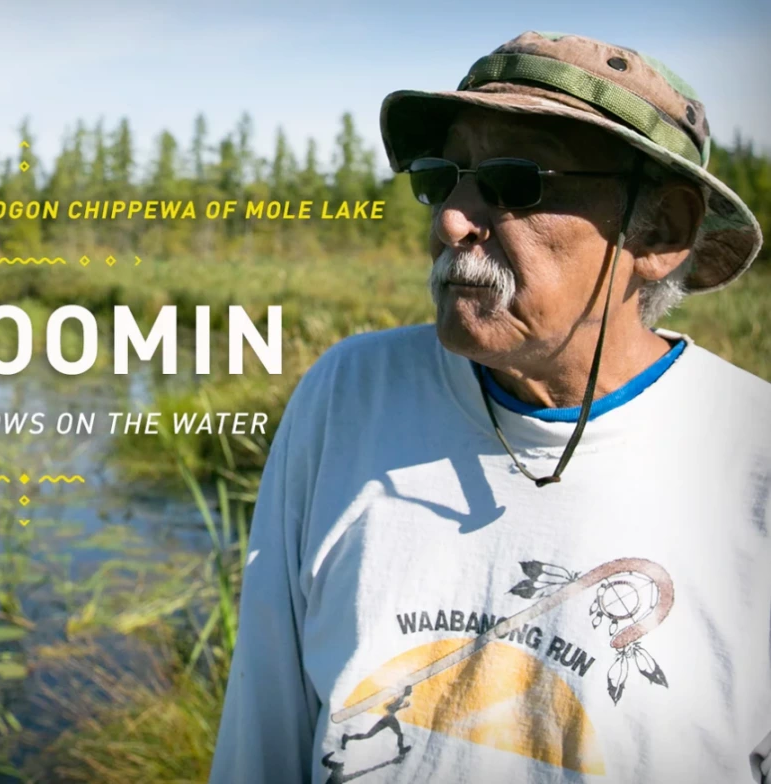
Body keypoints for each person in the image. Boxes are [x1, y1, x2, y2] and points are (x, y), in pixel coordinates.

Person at [208, 31, 771, 784]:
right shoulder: (350, 394)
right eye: (441, 178)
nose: (450, 220)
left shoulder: (751, 460)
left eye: (516, 182)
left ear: (662, 230)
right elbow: (262, 731)